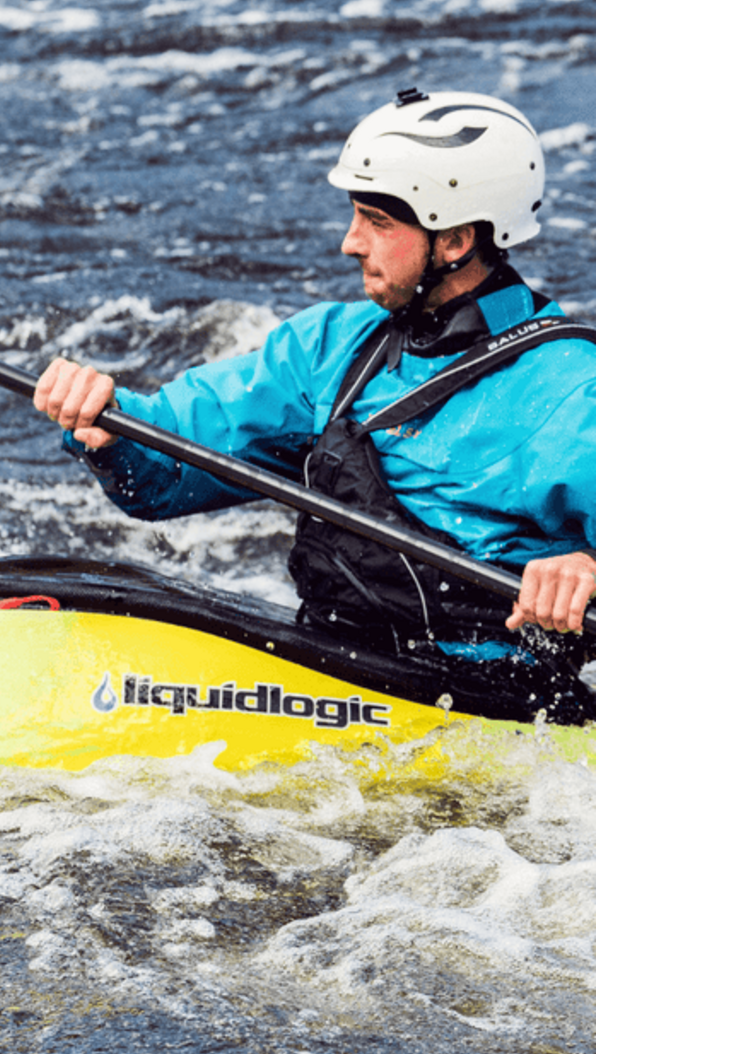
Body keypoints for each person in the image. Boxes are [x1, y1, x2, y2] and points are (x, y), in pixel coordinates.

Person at [34, 88, 595, 669]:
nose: (350, 242)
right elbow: (166, 469)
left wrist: (585, 567)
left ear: (455, 240)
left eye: (377, 221)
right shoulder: (329, 348)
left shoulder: (573, 391)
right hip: (338, 665)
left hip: (497, 698)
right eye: (356, 215)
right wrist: (109, 425)